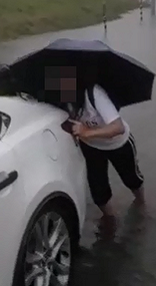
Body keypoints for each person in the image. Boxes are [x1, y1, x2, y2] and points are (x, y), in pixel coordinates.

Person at [56, 66, 145, 218]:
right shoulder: (62, 99)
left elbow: (118, 128)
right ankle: (110, 220)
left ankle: (141, 204)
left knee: (132, 180)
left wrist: (86, 132)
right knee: (98, 191)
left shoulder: (94, 94)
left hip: (118, 143)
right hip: (91, 146)